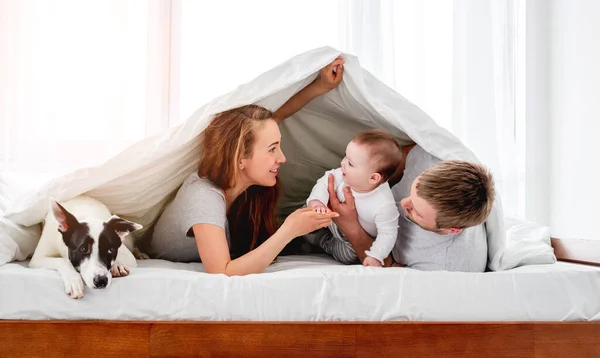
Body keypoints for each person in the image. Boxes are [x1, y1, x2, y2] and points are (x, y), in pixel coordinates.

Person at [146, 57, 346, 276]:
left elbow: (271, 121)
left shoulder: (238, 171)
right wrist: (289, 230)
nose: (282, 158)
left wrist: (321, 86)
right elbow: (222, 271)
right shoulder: (203, 197)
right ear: (240, 158)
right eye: (272, 149)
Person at [304, 129, 402, 267]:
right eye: (345, 157)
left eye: (351, 163)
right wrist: (317, 201)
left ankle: (320, 242)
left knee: (347, 256)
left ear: (373, 178)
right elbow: (325, 181)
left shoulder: (384, 205)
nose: (342, 163)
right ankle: (306, 235)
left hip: (348, 241)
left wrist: (376, 255)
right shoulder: (342, 174)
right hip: (330, 216)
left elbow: (388, 233)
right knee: (306, 209)